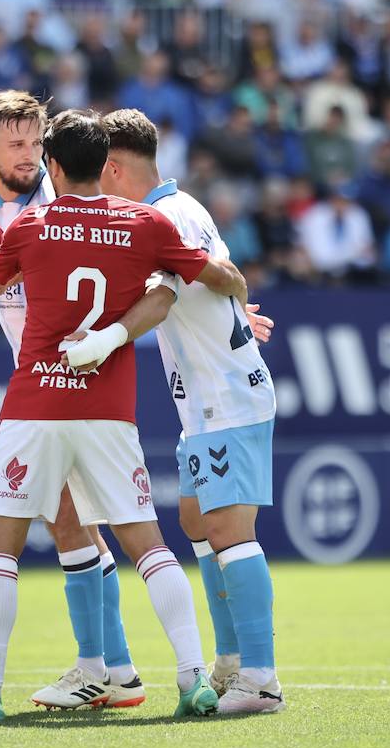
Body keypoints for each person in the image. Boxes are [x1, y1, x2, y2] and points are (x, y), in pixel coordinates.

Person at [0, 109, 248, 723]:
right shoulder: (145, 223)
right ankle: (194, 679)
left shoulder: (32, 223)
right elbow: (219, 276)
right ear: (103, 166)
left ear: (54, 167)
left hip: (35, 402)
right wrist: (237, 291)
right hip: (106, 411)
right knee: (149, 547)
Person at [76, 108, 283, 713]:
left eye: (98, 169)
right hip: (207, 403)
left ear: (113, 167)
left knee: (227, 530)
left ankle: (262, 678)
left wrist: (108, 338)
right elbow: (223, 279)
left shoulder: (161, 217)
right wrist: (238, 308)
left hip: (227, 400)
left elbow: (170, 295)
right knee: (196, 521)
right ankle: (232, 660)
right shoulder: (182, 206)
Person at [0, 90, 144, 710]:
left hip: (80, 383)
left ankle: (110, 667)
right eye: (13, 143)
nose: (27, 154)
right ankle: (112, 666)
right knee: (73, 524)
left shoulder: (68, 196)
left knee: (78, 523)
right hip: (36, 379)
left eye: (35, 141)